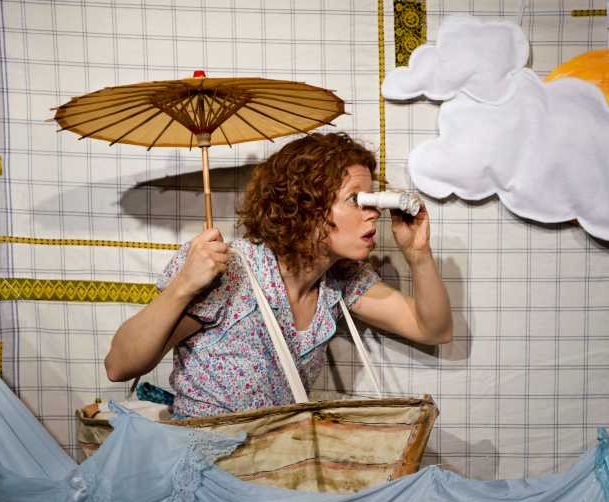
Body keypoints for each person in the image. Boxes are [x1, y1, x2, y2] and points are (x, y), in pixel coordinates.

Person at [104, 132, 452, 417]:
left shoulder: (340, 279)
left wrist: (418, 254)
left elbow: (432, 328)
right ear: (305, 205)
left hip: (274, 462)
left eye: (372, 200)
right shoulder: (234, 272)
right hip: (205, 460)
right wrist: (183, 286)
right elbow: (119, 365)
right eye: (355, 200)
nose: (373, 214)